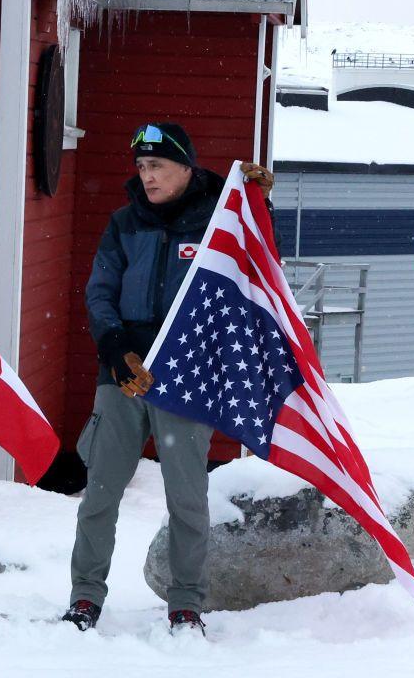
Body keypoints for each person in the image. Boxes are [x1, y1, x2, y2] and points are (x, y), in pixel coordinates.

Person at [62, 122, 276, 636]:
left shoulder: (217, 220)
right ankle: (85, 598)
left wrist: (257, 206)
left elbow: (258, 263)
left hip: (186, 371)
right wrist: (114, 347)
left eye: (158, 166)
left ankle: (186, 604)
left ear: (187, 167)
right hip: (123, 370)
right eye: (141, 166)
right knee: (100, 493)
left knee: (186, 496)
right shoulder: (123, 223)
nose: (148, 176)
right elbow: (100, 291)